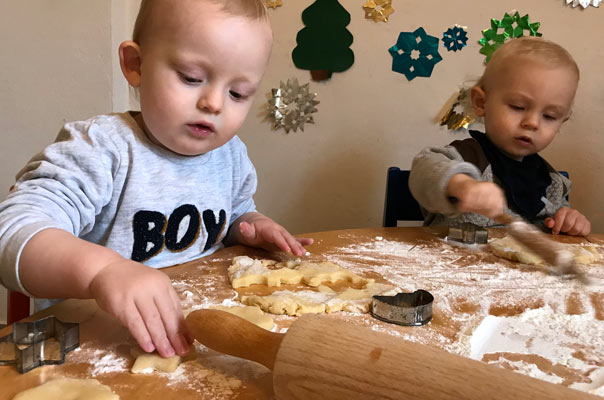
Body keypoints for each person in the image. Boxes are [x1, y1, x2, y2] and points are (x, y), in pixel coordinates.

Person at [0, 0, 312, 358]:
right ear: (136, 65)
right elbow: (12, 231)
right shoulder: (102, 149)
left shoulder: (230, 155)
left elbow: (230, 214)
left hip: (190, 338)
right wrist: (103, 272)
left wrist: (249, 224)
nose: (214, 103)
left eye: (238, 93)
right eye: (191, 78)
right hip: (92, 351)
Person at [409, 37, 591, 236]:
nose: (532, 123)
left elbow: (559, 230)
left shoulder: (552, 183)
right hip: (452, 265)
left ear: (561, 123)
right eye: (518, 107)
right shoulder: (464, 158)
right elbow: (423, 171)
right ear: (481, 102)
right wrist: (461, 184)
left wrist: (570, 220)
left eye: (549, 116)